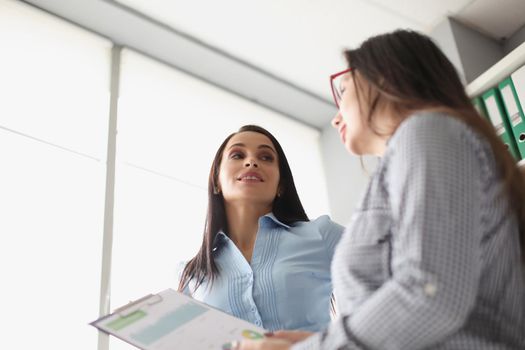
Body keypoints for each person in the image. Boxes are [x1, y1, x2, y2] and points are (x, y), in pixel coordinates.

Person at [236, 29, 525, 349]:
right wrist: (322, 340)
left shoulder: (428, 131)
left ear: (385, 77)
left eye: (342, 89)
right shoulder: (415, 153)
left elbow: (429, 292)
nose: (335, 119)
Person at [177, 124, 344, 332]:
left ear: (281, 185)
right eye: (237, 155)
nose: (251, 161)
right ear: (216, 181)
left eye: (266, 157)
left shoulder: (321, 235)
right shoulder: (191, 275)